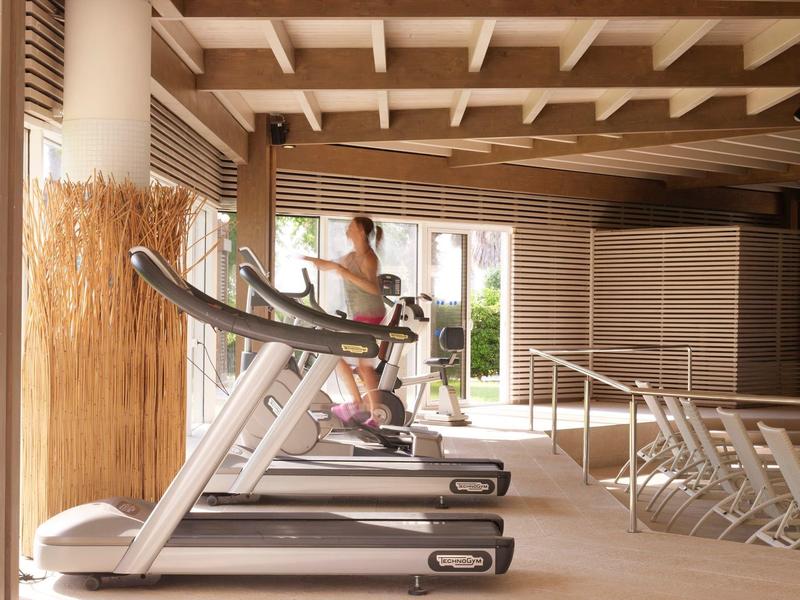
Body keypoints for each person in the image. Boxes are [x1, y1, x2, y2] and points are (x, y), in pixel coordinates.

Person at [304, 216, 386, 427]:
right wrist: (309, 260)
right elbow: (331, 265)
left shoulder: (369, 258)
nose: (347, 229)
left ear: (361, 231)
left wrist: (345, 273)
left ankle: (361, 406)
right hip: (361, 316)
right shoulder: (351, 257)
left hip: (371, 314)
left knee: (341, 356)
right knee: (359, 365)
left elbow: (373, 288)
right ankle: (367, 410)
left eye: (351, 226)